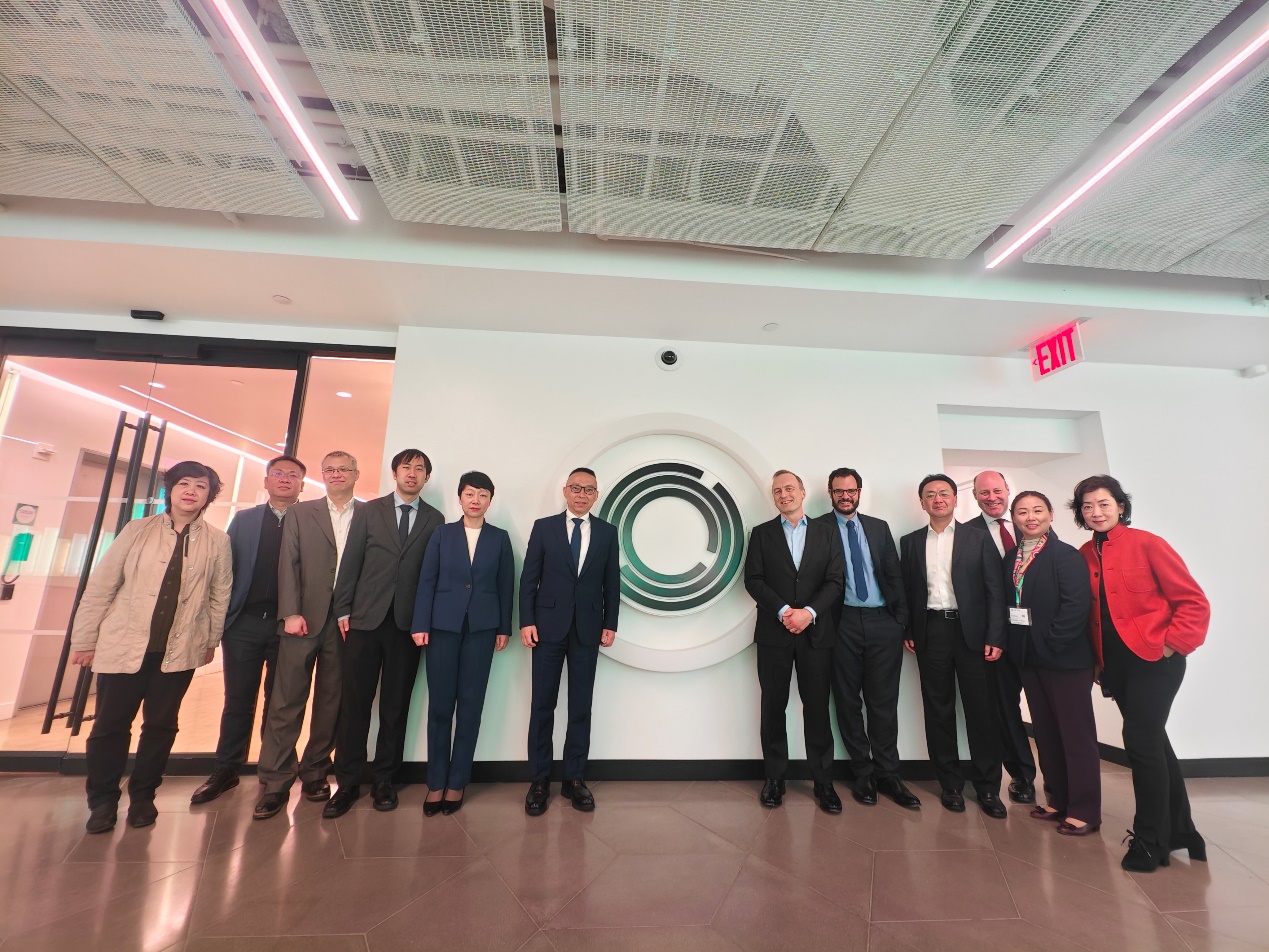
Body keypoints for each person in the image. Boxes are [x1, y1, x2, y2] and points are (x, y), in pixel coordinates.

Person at [70, 461, 232, 833]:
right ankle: (102, 801)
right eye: (184, 483)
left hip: (178, 651)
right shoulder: (137, 530)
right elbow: (102, 586)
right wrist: (85, 639)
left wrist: (210, 641)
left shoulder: (218, 541)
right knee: (110, 726)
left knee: (161, 726)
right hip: (124, 645)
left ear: (209, 496)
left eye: (201, 486)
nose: (191, 491)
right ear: (170, 490)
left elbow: (219, 597)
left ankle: (143, 796)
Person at [1072, 475, 1209, 871]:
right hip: (1116, 667)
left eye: (1104, 503)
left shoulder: (1149, 543)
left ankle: (1150, 842)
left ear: (1120, 506)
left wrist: (1172, 644)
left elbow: (1194, 601)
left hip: (1156, 661)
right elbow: (1093, 616)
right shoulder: (1084, 554)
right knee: (1154, 744)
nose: (1096, 512)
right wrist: (1098, 663)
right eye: (1087, 506)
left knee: (1140, 741)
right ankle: (1183, 833)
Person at [324, 449, 444, 818]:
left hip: (407, 625)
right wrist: (343, 608)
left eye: (419, 469)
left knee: (395, 705)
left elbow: (432, 575)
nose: (412, 473)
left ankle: (384, 780)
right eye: (406, 467)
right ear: (395, 473)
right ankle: (347, 783)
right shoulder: (368, 511)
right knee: (355, 704)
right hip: (363, 620)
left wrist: (426, 620)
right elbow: (350, 560)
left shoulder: (435, 519)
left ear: (426, 478)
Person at [252, 451, 362, 820]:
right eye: (329, 469)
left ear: (356, 474)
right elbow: (288, 563)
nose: (336, 474)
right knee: (286, 699)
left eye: (343, 469)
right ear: (322, 475)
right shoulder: (301, 512)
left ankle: (315, 771)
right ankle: (276, 779)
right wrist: (289, 612)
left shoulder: (369, 514)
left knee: (331, 700)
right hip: (302, 619)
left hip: (345, 622)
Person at [192, 455, 304, 805]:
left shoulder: (309, 520)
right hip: (244, 623)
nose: (285, 479)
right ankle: (226, 768)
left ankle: (274, 773)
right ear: (267, 482)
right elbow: (226, 570)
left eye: (293, 475)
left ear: (301, 485)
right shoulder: (244, 520)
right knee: (238, 699)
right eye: (278, 473)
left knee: (280, 703)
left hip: (288, 627)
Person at [899, 474, 1008, 819]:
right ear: (922, 503)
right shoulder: (910, 542)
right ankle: (950, 785)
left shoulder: (978, 538)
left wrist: (995, 636)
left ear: (955, 499)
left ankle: (988, 787)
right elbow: (907, 590)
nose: (938, 499)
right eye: (930, 495)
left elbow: (995, 590)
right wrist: (910, 629)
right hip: (931, 632)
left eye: (944, 493)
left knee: (981, 711)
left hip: (973, 634)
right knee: (938, 710)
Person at [813, 467, 920, 810]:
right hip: (841, 623)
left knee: (883, 701)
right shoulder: (817, 528)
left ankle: (889, 774)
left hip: (882, 622)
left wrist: (900, 621)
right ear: (830, 493)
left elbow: (893, 574)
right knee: (847, 701)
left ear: (859, 492)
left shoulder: (878, 527)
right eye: (839, 491)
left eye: (851, 490)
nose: (845, 496)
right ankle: (863, 773)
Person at [411, 471, 514, 816]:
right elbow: (426, 581)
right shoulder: (442, 534)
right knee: (440, 708)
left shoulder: (499, 538)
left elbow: (505, 586)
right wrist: (420, 623)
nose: (475, 500)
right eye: (470, 494)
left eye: (483, 495)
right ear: (460, 498)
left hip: (482, 629)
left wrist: (504, 627)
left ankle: (457, 783)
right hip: (442, 627)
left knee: (470, 707)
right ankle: (435, 783)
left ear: (490, 500)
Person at [520, 467, 620, 816]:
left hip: (588, 629)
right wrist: (527, 621)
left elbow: (612, 582)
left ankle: (574, 779)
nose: (581, 494)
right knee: (542, 705)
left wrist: (610, 623)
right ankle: (539, 780)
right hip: (546, 628)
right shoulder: (544, 528)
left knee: (580, 706)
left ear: (596, 496)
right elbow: (529, 578)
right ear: (565, 491)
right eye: (576, 488)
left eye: (589, 490)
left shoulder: (607, 532)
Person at [744, 470, 845, 814]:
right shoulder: (761, 534)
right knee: (774, 707)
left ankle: (824, 782)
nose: (783, 494)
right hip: (774, 634)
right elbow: (754, 580)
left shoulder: (827, 532)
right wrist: (786, 611)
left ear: (802, 492)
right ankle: (775, 779)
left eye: (789, 488)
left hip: (816, 634)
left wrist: (809, 613)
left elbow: (835, 581)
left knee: (817, 708)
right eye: (777, 491)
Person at [1005, 491, 1099, 835]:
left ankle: (1085, 810)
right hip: (1030, 658)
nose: (1030, 517)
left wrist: (1050, 645)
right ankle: (1058, 798)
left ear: (1050, 515)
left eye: (1037, 510)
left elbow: (1076, 607)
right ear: (1013, 518)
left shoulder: (1065, 555)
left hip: (1065, 661)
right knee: (1046, 733)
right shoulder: (1012, 557)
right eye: (1022, 512)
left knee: (1076, 736)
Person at [964, 470, 1038, 805]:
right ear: (974, 496)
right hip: (994, 638)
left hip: (1037, 636)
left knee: (1045, 708)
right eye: (984, 493)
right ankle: (1022, 776)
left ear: (1008, 490)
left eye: (997, 490)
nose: (991, 497)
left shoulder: (1031, 524)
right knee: (1005, 710)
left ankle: (1062, 777)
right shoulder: (966, 534)